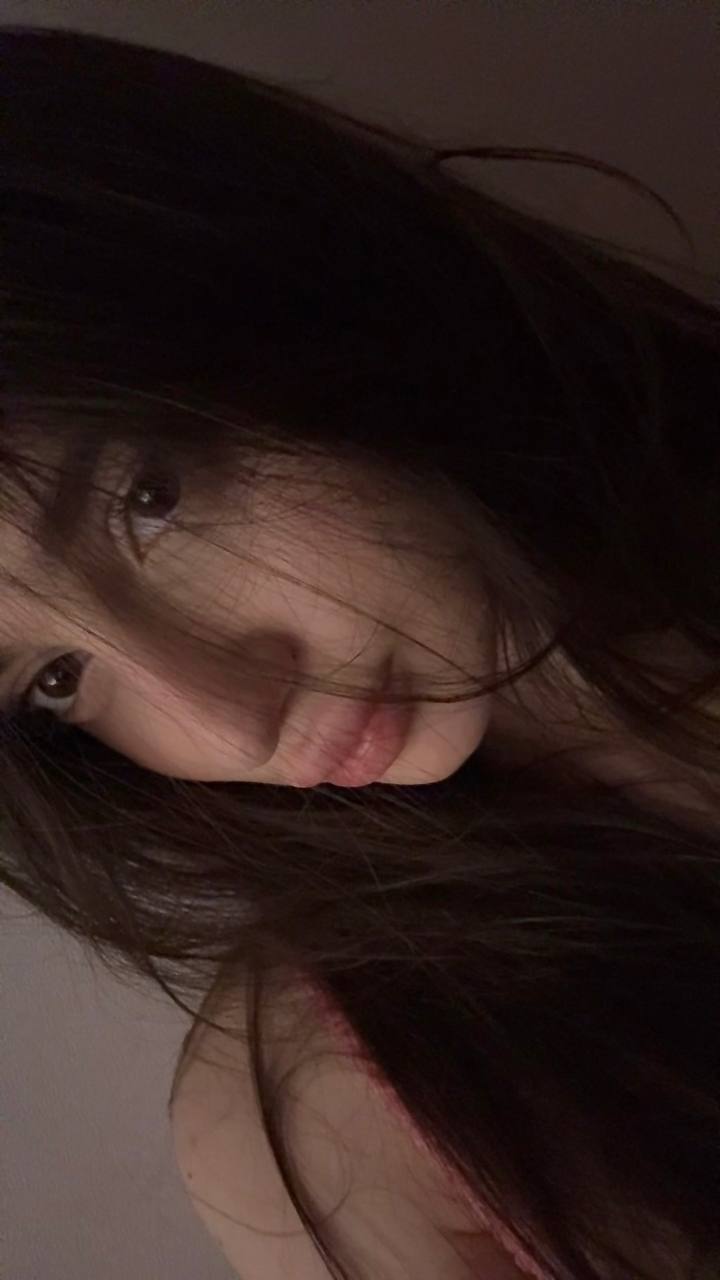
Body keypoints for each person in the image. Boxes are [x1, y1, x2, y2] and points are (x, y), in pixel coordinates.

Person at [2, 26, 719, 1280]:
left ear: (283, 287)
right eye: (55, 680)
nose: (229, 722)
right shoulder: (325, 1122)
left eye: (147, 501)